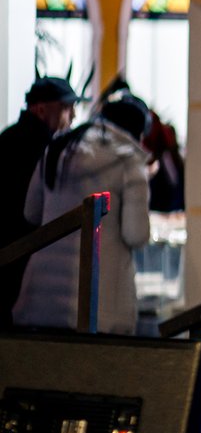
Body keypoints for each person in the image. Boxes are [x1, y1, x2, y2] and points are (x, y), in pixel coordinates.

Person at [14, 93, 153, 334]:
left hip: (41, 297)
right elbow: (136, 234)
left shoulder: (56, 149)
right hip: (100, 304)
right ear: (136, 133)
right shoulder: (129, 161)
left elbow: (31, 213)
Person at [1, 77, 85, 328]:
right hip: (23, 252)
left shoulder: (6, 138)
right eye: (66, 108)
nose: (72, 116)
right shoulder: (47, 148)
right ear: (41, 109)